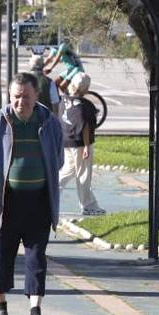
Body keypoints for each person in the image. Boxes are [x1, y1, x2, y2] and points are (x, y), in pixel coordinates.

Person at [0, 72, 65, 315]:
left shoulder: (49, 122)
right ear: (10, 96)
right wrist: (1, 176)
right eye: (16, 97)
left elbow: (57, 159)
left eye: (26, 96)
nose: (21, 102)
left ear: (37, 95)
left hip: (38, 201)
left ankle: (35, 311)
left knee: (37, 258)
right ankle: (0, 308)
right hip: (6, 202)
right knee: (0, 256)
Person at [57, 75, 105, 216]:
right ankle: (88, 205)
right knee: (83, 174)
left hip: (67, 142)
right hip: (80, 143)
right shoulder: (83, 105)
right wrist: (86, 146)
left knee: (67, 172)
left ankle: (49, 197)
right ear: (85, 88)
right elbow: (85, 126)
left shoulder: (64, 101)